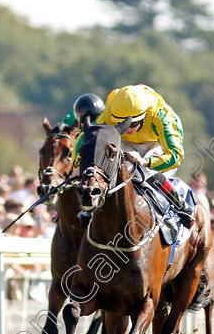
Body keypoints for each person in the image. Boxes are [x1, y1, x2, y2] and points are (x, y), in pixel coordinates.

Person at [73, 84, 195, 227]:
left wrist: (145, 161)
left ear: (144, 116)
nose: (128, 129)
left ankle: (180, 205)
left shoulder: (161, 114)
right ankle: (90, 207)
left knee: (144, 171)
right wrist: (78, 164)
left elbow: (175, 156)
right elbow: (85, 136)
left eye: (133, 124)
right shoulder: (111, 109)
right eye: (122, 124)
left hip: (156, 144)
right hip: (126, 143)